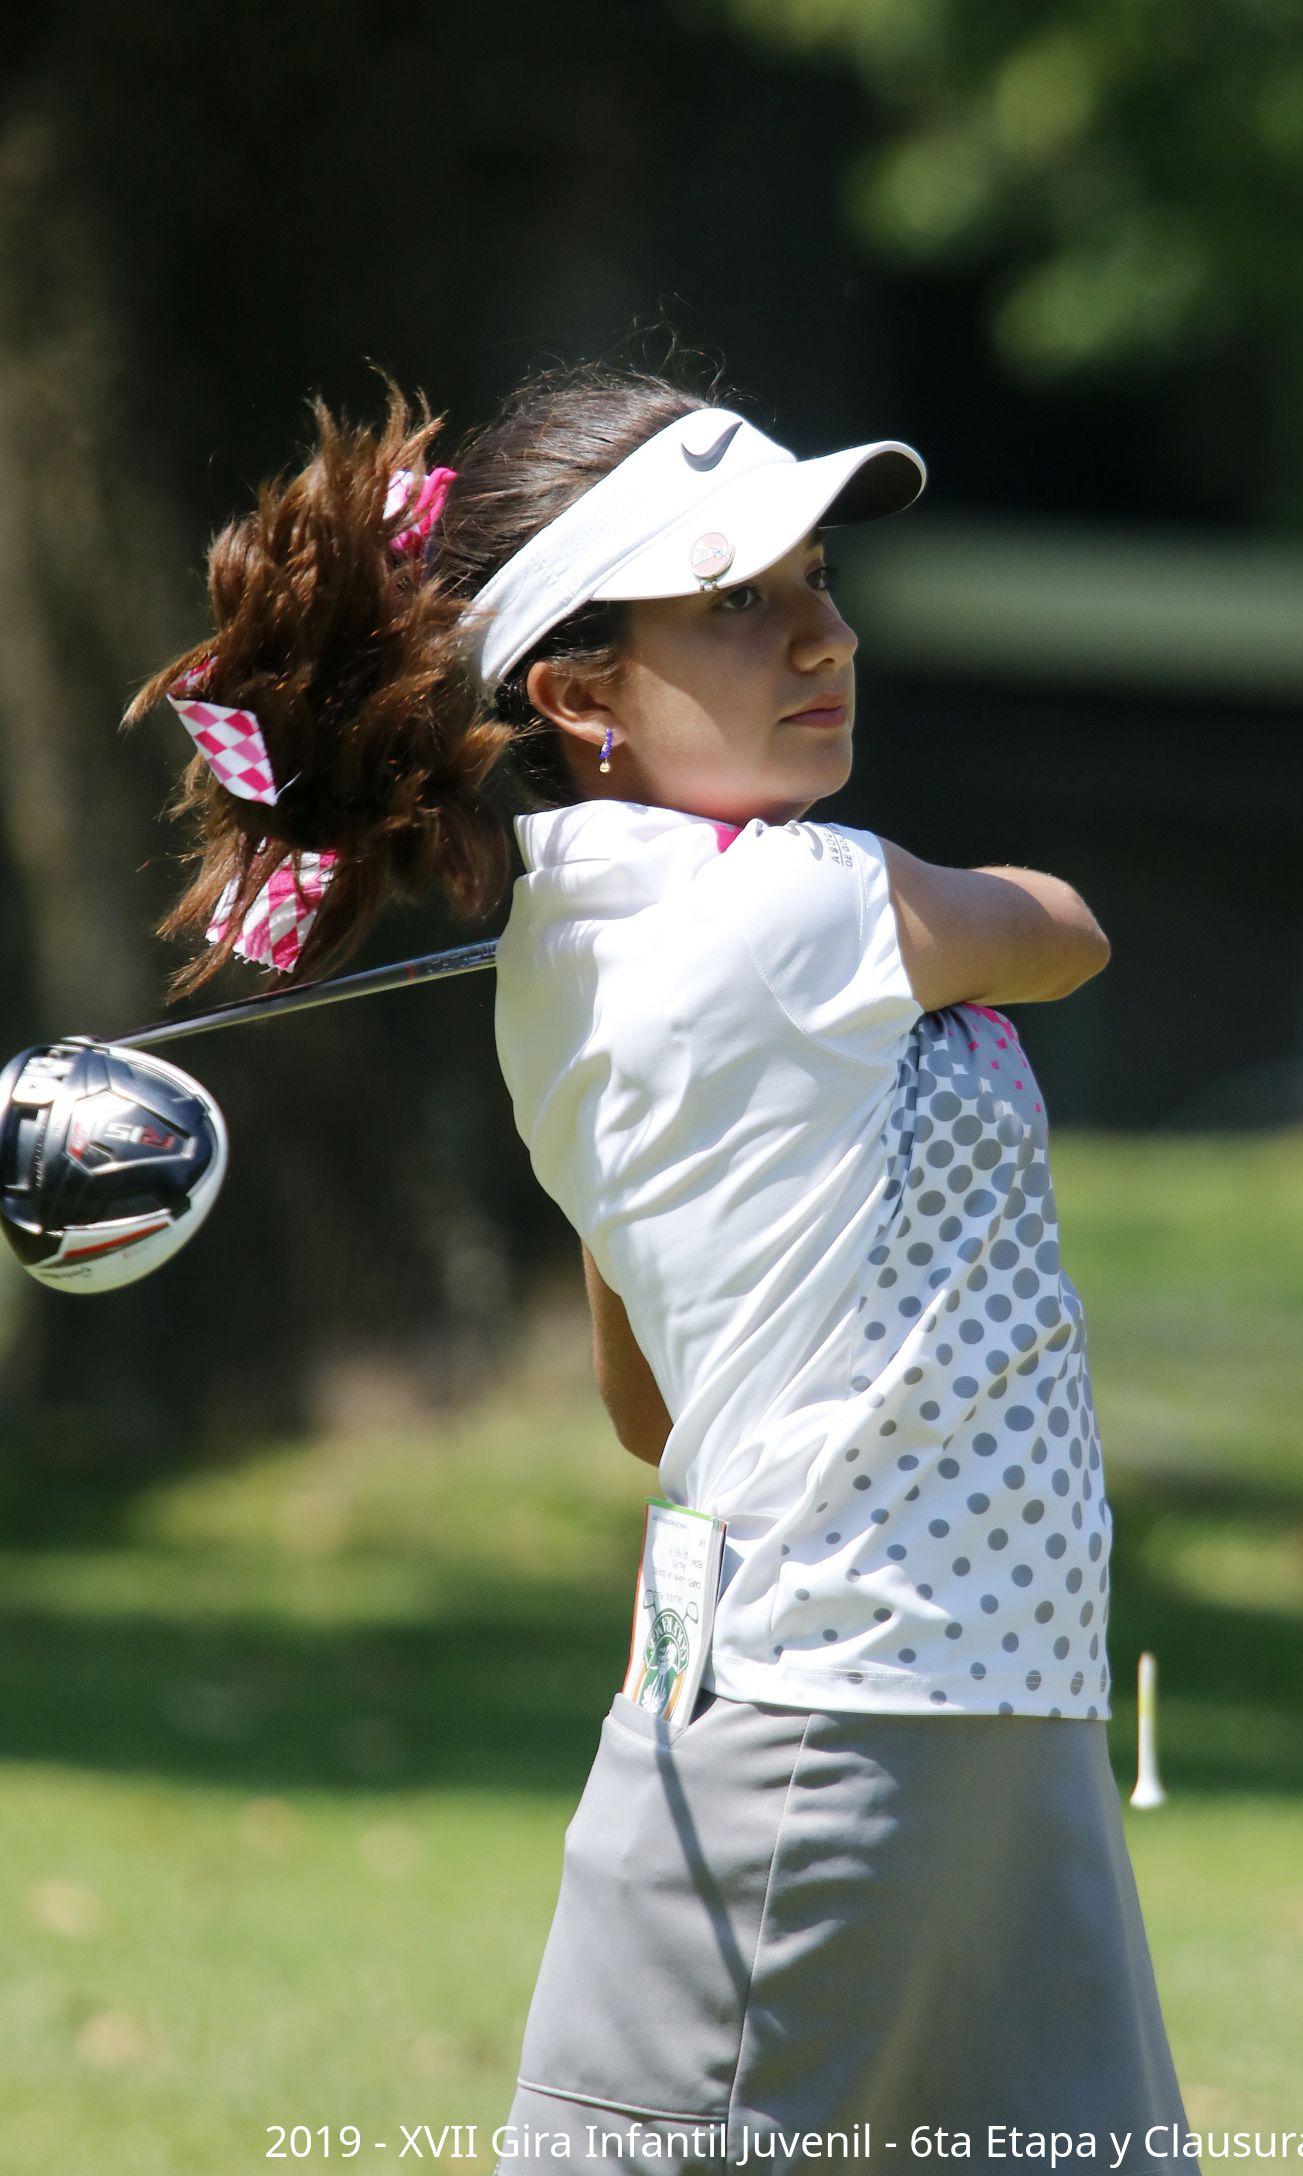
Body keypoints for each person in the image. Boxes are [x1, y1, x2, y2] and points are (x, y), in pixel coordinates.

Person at [126, 346, 1192, 2172]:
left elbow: (646, 1407)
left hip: (995, 1695)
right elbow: (1066, 930)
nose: (824, 636)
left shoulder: (610, 946)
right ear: (578, 693)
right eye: (737, 603)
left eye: (815, 582)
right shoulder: (788, 908)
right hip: (817, 1722)